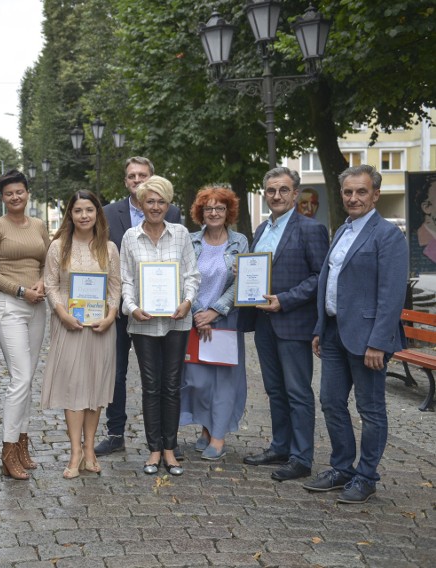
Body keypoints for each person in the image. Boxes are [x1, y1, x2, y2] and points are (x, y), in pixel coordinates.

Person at [305, 165, 408, 504]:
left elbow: (391, 294)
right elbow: (328, 282)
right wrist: (321, 327)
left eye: (361, 191)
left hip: (367, 340)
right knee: (331, 402)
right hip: (334, 332)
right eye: (348, 192)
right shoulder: (342, 230)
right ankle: (341, 468)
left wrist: (379, 342)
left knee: (370, 409)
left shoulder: (388, 235)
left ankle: (366, 476)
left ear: (375, 194)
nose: (354, 198)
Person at [240, 167, 329, 482]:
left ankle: (301, 457)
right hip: (264, 323)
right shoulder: (262, 228)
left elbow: (321, 277)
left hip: (293, 322)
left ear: (295, 193)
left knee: (297, 392)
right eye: (271, 191)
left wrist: (286, 299)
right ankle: (280, 446)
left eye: (283, 190)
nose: (276, 196)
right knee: (275, 390)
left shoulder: (310, 229)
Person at [96, 157, 182, 456]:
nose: (136, 179)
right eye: (131, 175)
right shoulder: (108, 213)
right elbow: (102, 260)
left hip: (160, 312)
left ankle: (166, 439)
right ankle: (116, 432)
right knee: (117, 372)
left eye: (142, 175)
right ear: (125, 181)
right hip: (119, 308)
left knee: (162, 377)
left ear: (151, 178)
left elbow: (178, 262)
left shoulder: (173, 213)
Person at [120, 176, 199, 476]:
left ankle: (170, 447)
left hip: (177, 321)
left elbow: (192, 275)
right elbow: (126, 279)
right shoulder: (130, 237)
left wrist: (188, 301)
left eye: (161, 201)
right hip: (143, 324)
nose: (155, 207)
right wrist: (132, 307)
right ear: (140, 204)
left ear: (168, 204)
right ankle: (154, 449)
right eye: (150, 201)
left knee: (172, 385)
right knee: (151, 385)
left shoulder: (180, 234)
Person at [41, 190, 120, 478]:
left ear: (97, 214)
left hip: (100, 327)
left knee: (95, 388)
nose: (84, 215)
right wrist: (62, 314)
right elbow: (50, 285)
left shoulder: (108, 248)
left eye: (89, 210)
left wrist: (111, 316)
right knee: (74, 387)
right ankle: (75, 451)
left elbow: (115, 287)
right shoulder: (59, 246)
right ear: (70, 215)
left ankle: (90, 451)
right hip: (69, 325)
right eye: (78, 211)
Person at [0, 169, 50, 480]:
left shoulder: (38, 225)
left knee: (28, 377)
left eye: (20, 191)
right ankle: (8, 451)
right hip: (9, 305)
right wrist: (21, 290)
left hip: (38, 305)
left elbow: (49, 261)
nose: (15, 197)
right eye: (9, 193)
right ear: (3, 198)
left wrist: (43, 284)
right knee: (20, 378)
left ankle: (23, 445)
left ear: (27, 193)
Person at [180, 187, 248, 461]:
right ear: (201, 213)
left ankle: (218, 438)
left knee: (224, 382)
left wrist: (215, 311)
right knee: (199, 380)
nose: (214, 213)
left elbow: (242, 283)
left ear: (228, 212)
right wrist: (199, 313)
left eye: (220, 208)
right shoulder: (191, 241)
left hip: (226, 321)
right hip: (195, 321)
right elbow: (185, 278)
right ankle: (207, 429)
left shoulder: (239, 242)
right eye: (208, 208)